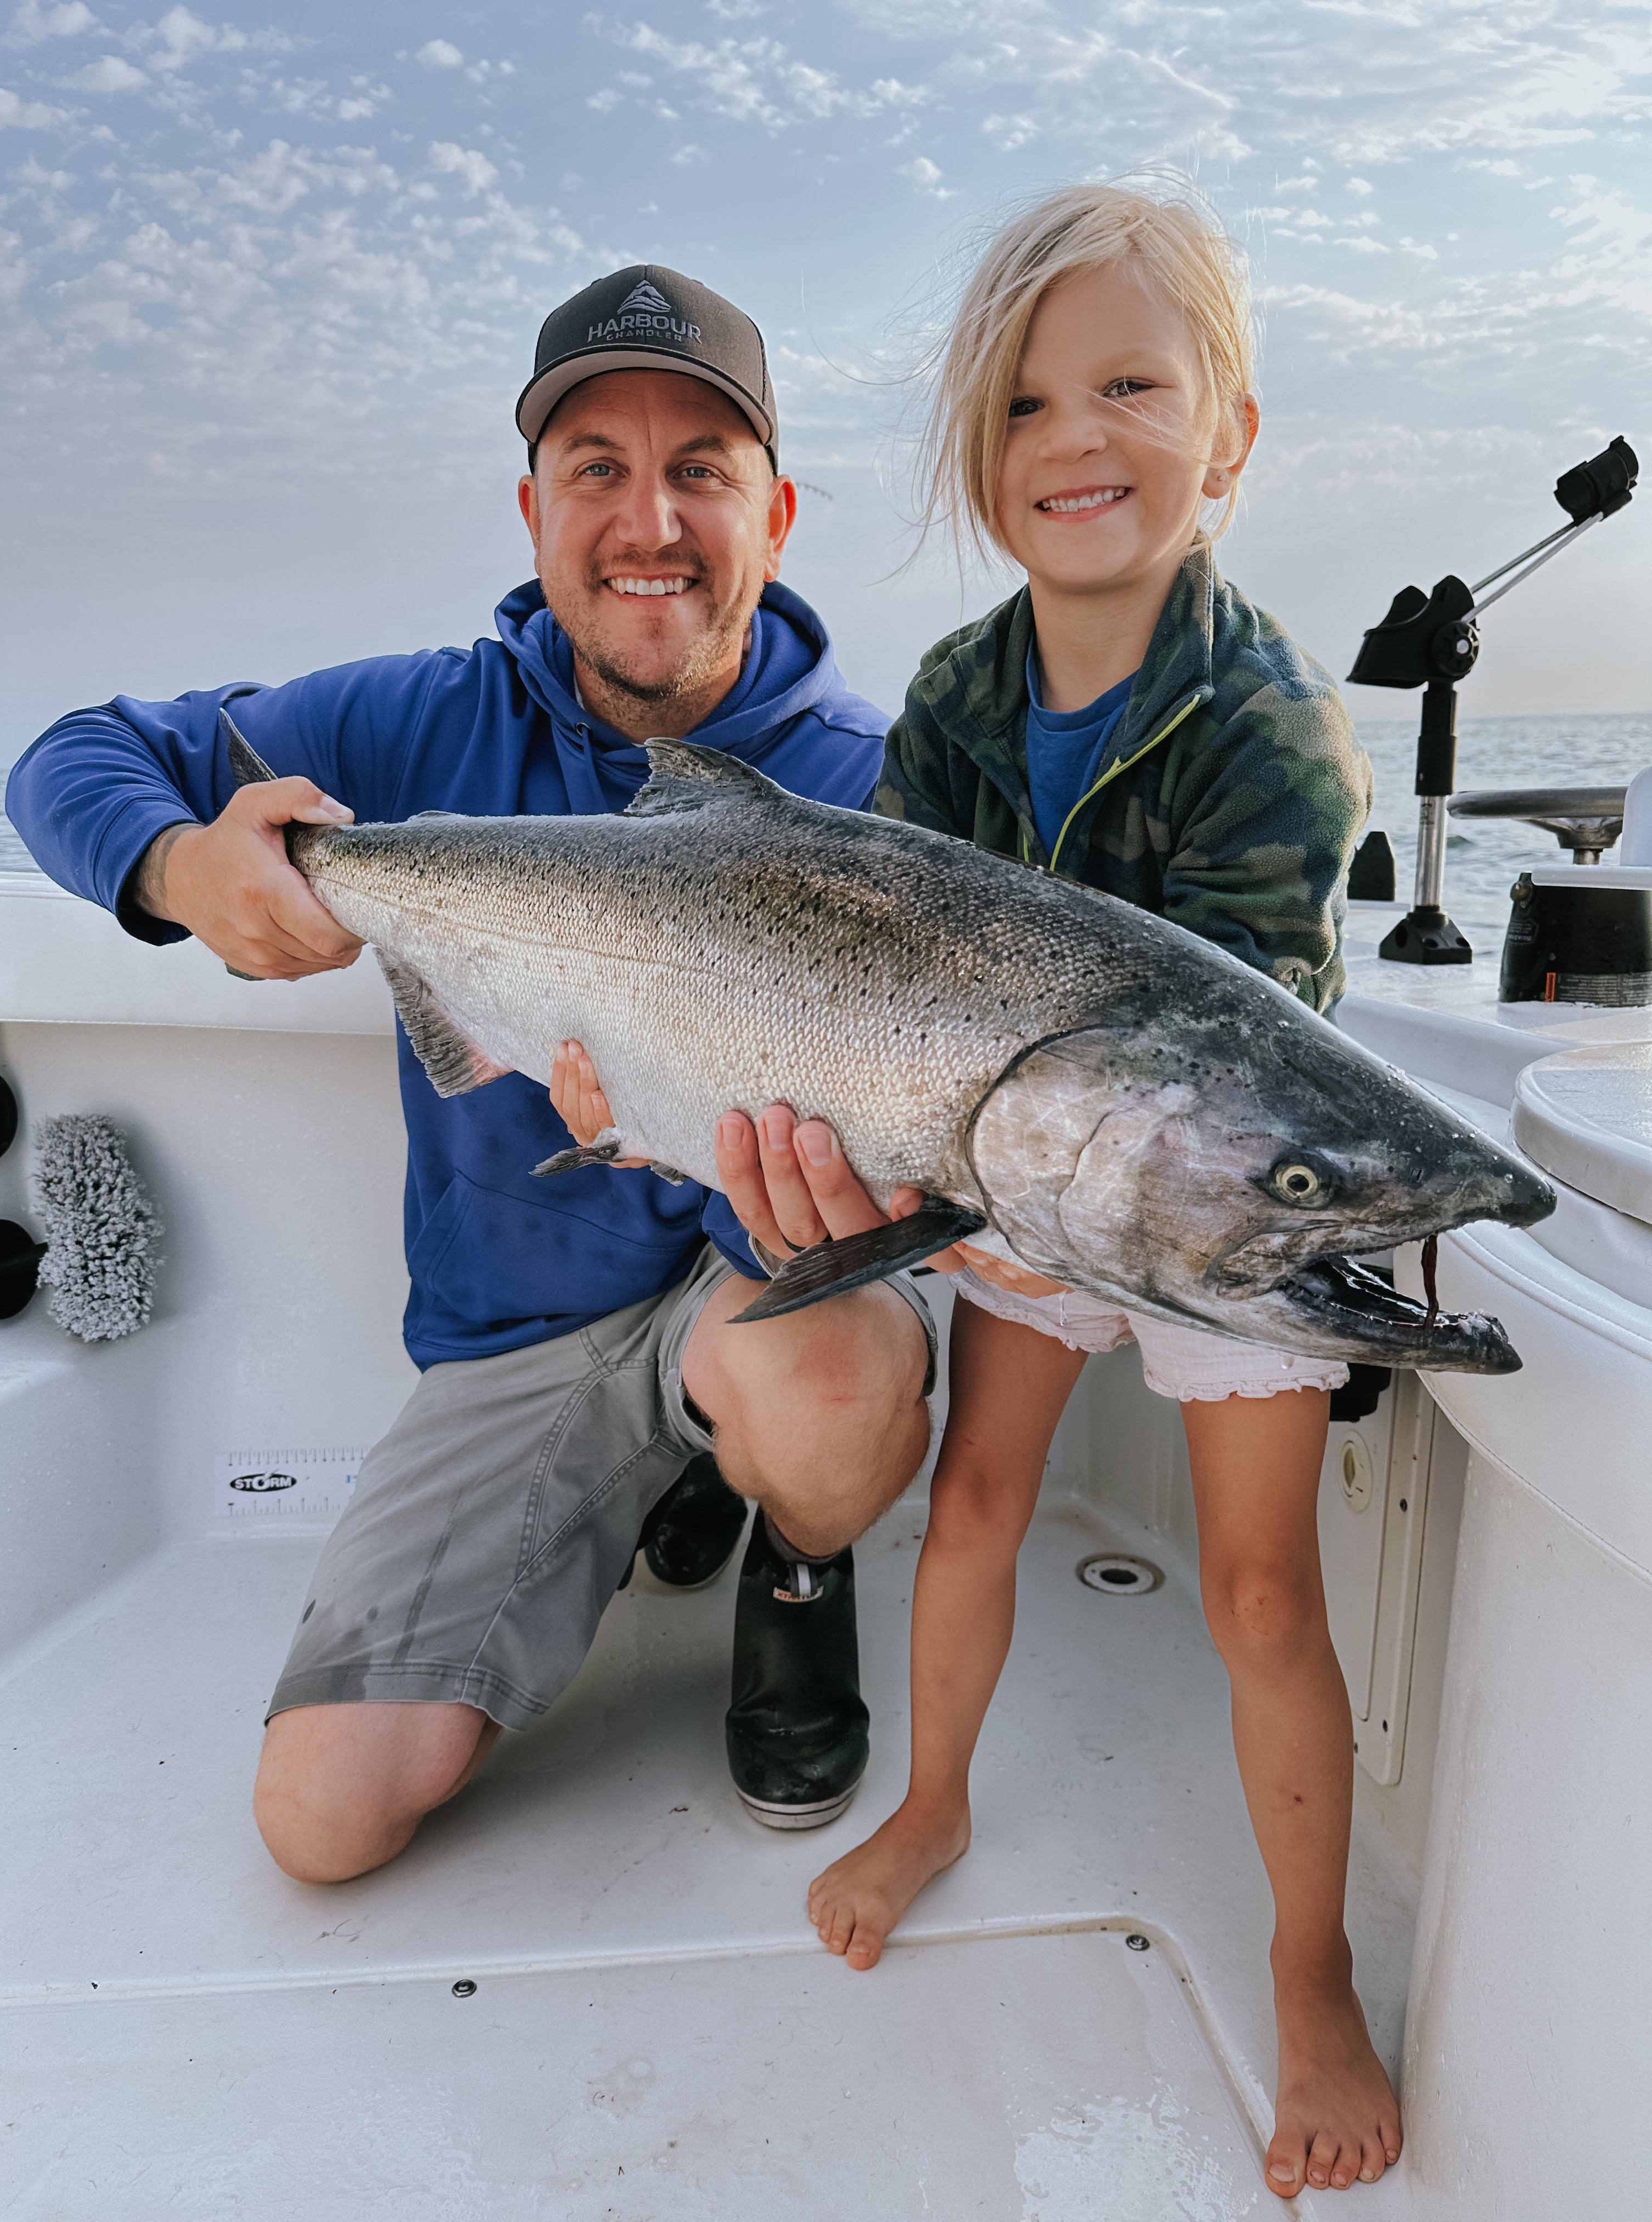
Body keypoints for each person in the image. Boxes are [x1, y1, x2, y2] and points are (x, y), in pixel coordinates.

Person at [6, 264, 939, 1865]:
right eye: (599, 469)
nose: (649, 521)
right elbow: (74, 753)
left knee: (826, 1389)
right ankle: (672, 1484)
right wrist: (181, 870)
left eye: (700, 472)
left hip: (775, 1287)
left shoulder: (886, 788)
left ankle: (795, 1546)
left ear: (777, 514)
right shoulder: (414, 725)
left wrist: (723, 1161)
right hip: (519, 1335)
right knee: (322, 1823)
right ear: (532, 511)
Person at [800, 183, 1400, 2199]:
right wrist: (942, 1180)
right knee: (973, 1498)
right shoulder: (958, 705)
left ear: (1226, 435)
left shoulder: (1276, 728)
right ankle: (936, 1797)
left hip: (1227, 1210)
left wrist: (1029, 1185)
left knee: (1255, 1595)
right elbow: (888, 958)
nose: (1079, 437)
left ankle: (1309, 1974)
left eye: (1131, 386)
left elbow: (1258, 1065)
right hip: (1006, 1186)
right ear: (986, 465)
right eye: (1031, 405)